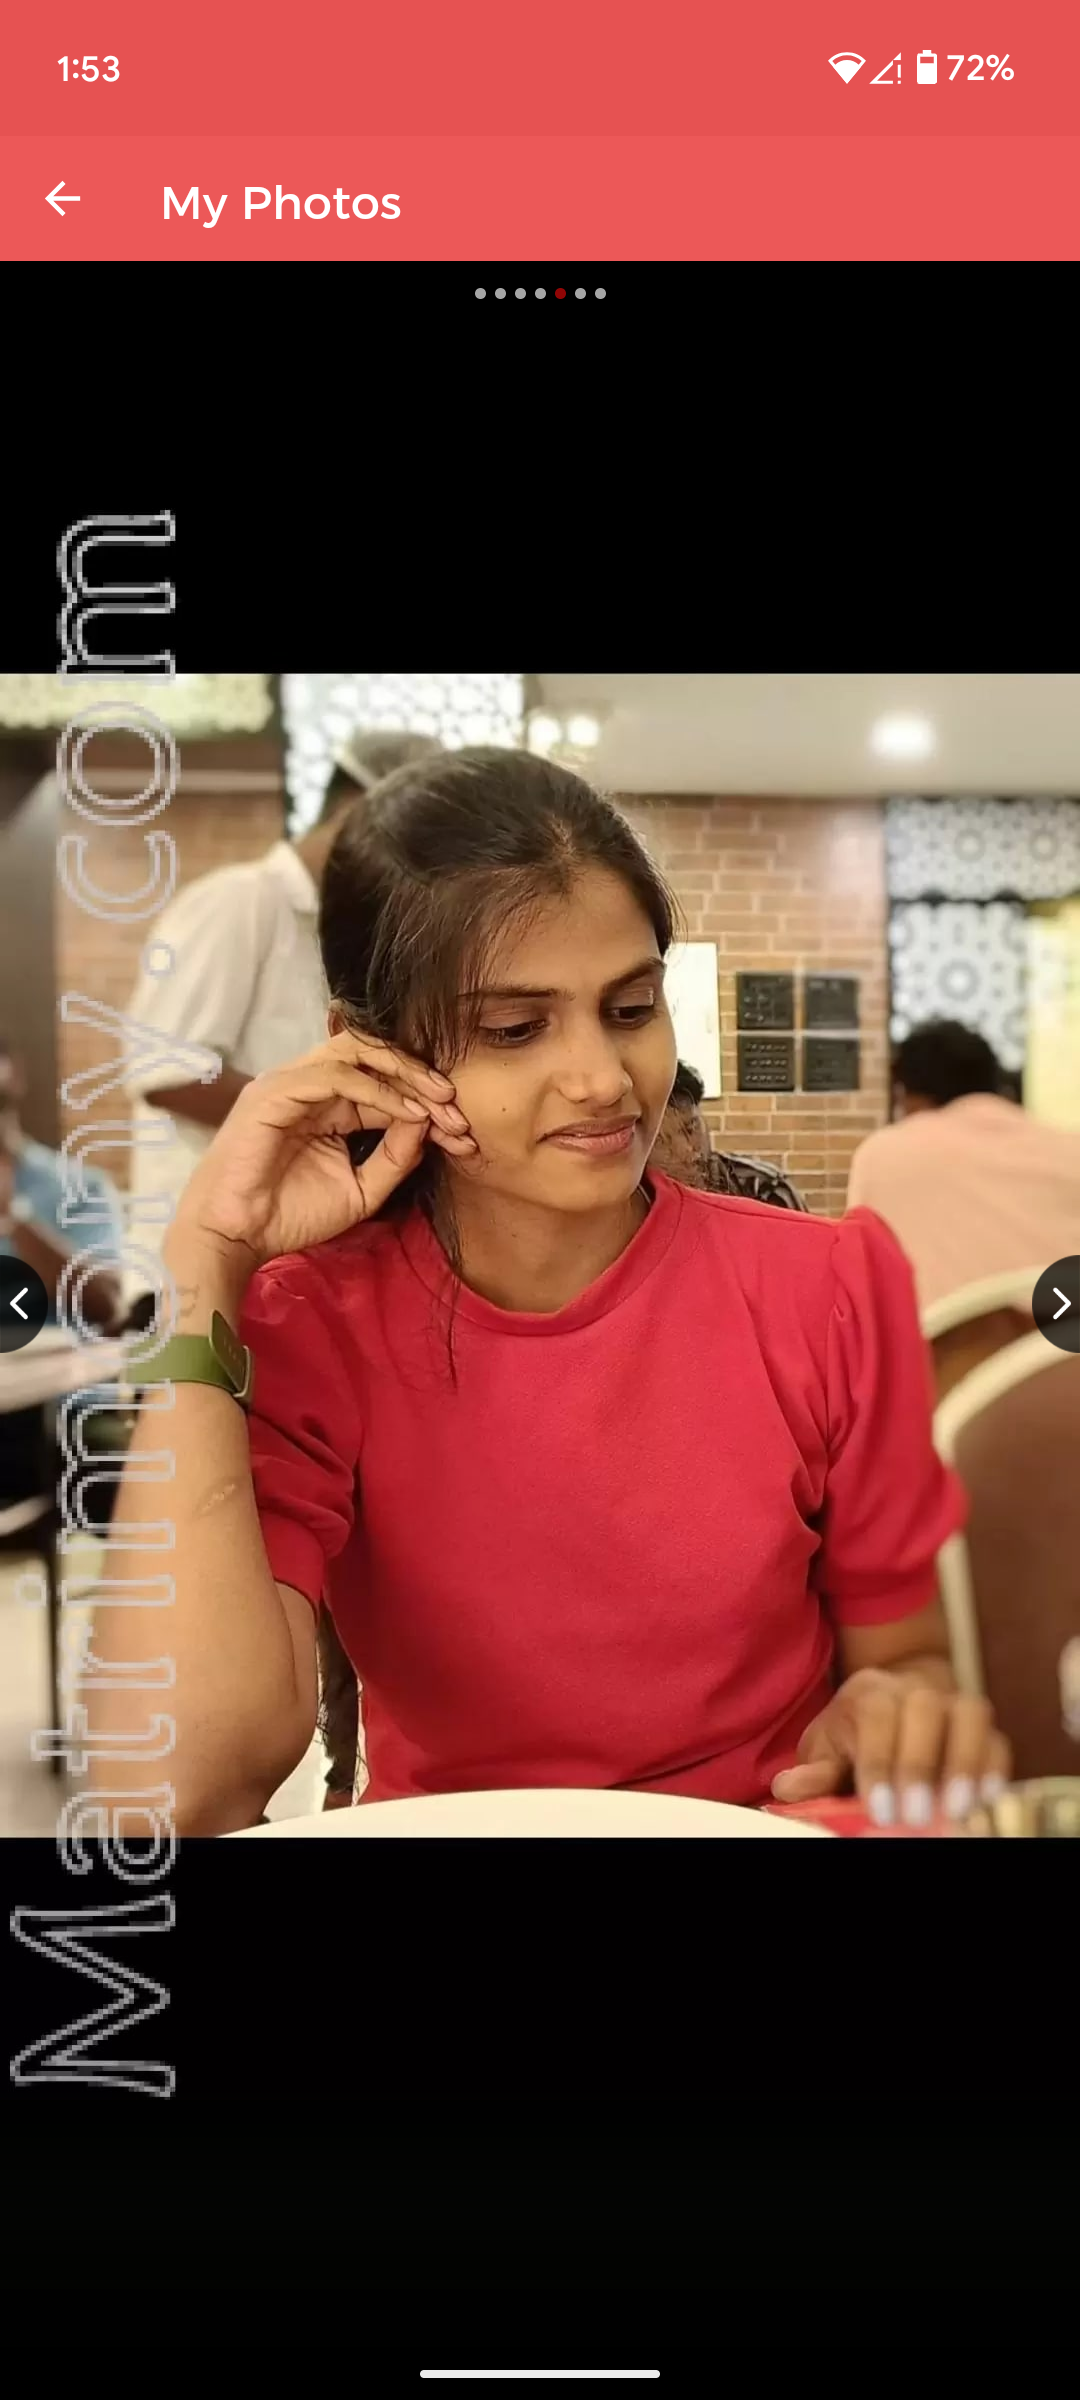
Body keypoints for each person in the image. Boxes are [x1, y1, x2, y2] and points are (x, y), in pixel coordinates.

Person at [91, 751, 1011, 1835]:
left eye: (631, 1008)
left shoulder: (831, 1286)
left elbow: (906, 1659)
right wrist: (204, 1262)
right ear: (368, 1054)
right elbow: (181, 1787)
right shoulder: (313, 1325)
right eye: (515, 1030)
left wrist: (894, 1708)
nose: (603, 1080)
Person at [121, 728, 443, 1302]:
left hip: (276, 1270)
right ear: (358, 811)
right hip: (188, 1274)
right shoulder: (241, 900)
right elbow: (165, 1072)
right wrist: (322, 1114)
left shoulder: (338, 929)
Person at [847, 1018, 1080, 1312]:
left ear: (906, 1094)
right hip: (1058, 1334)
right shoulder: (1070, 1149)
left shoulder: (884, 1155)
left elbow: (859, 1276)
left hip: (941, 1338)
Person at [1, 1034, 125, 1516]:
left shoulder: (77, 1188)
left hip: (65, 1413)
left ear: (13, 1074)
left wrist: (14, 1216)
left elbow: (109, 1306)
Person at [652, 1059, 808, 1210]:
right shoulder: (642, 1203)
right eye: (661, 1140)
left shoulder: (762, 1187)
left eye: (691, 1128)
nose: (687, 1149)